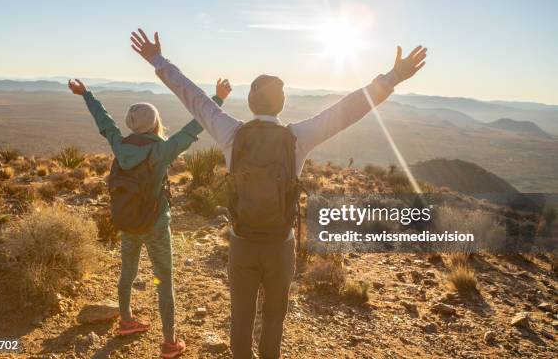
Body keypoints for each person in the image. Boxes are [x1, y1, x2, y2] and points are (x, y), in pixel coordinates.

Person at [129, 27, 427, 359]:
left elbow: (193, 97)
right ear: (282, 104)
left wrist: (157, 59)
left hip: (242, 243)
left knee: (240, 318)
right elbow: (347, 110)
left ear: (251, 102)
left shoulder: (232, 133)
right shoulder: (297, 137)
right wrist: (392, 77)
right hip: (280, 245)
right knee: (274, 319)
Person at [67, 76, 231, 358]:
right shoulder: (161, 150)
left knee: (128, 271)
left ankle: (127, 321)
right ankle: (170, 343)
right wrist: (217, 100)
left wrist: (86, 94)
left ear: (132, 124)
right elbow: (194, 128)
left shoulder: (120, 145)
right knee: (162, 279)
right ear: (155, 123)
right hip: (155, 224)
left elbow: (105, 122)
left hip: (127, 221)